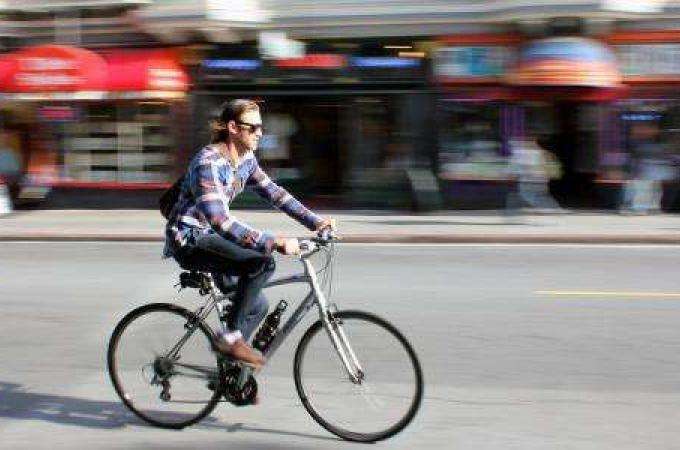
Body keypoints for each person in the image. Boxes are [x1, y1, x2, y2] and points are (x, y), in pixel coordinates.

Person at [163, 99, 333, 368]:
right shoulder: (207, 164)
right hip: (190, 239)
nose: (260, 133)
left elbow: (275, 194)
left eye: (261, 128)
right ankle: (229, 339)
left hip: (212, 239)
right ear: (233, 128)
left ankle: (232, 374)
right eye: (253, 128)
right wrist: (273, 242)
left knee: (257, 306)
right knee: (262, 263)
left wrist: (315, 222)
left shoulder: (245, 161)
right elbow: (219, 221)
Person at [505, 135, 563, 213]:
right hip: (540, 179)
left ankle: (553, 209)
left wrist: (513, 174)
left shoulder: (526, 153)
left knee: (531, 196)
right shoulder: (540, 152)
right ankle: (553, 209)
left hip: (531, 180)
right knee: (538, 196)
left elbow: (523, 167)